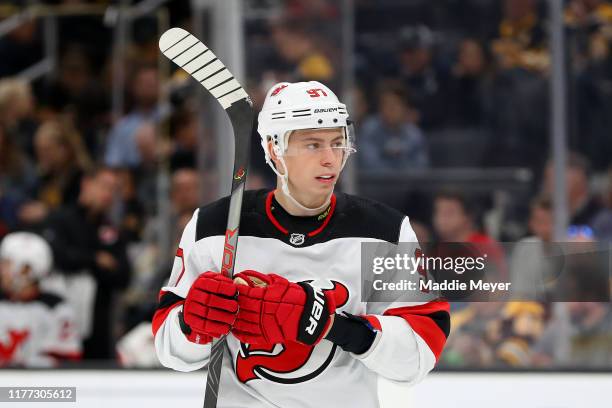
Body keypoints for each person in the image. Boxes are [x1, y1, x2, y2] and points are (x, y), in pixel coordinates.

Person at [152, 81, 450, 407]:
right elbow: (172, 352)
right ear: (273, 149)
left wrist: (333, 325)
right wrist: (193, 324)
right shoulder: (214, 226)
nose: (331, 159)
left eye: (338, 143)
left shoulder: (384, 231)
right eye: (313, 145)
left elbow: (419, 355)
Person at [43, 167, 131, 360]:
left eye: (114, 190)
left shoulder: (111, 231)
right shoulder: (60, 219)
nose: (108, 195)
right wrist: (95, 260)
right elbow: (56, 257)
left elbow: (123, 276)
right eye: (104, 187)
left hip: (99, 324)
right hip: (62, 319)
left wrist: (85, 262)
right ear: (87, 184)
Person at [0, 232, 81, 367]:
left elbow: (67, 361)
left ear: (26, 270)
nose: (1, 270)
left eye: (6, 263)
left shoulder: (56, 308)